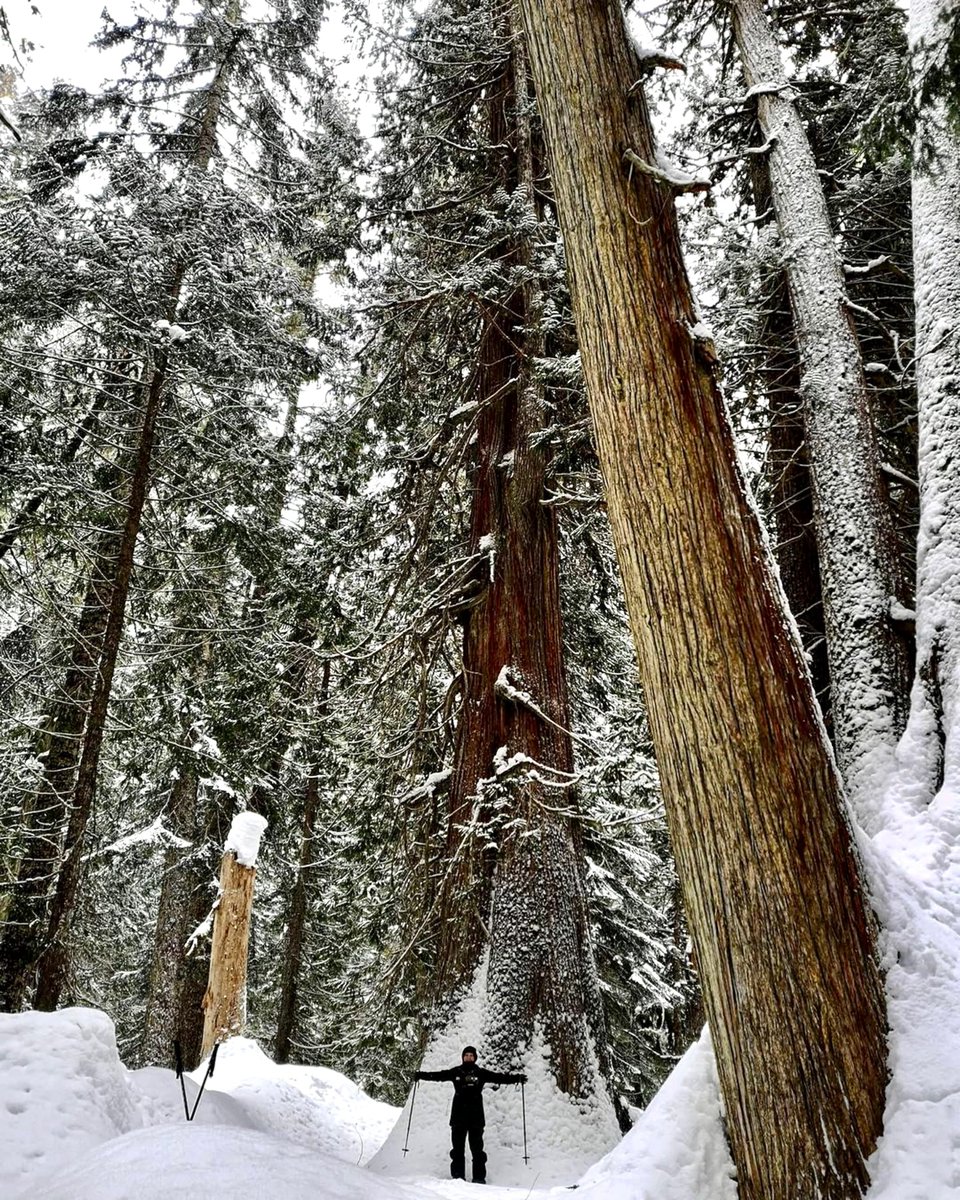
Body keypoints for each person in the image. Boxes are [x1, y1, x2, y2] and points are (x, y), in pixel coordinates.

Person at [413, 1044, 527, 1184]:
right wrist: (421, 1075)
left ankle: (479, 1179)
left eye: (471, 1056)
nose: (468, 1057)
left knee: (477, 1151)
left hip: (476, 1118)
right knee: (457, 1150)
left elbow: (499, 1078)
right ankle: (457, 1178)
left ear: (475, 1058)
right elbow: (439, 1075)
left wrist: (517, 1079)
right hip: (458, 1118)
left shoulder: (481, 1073)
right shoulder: (456, 1072)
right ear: (462, 1057)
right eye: (466, 1055)